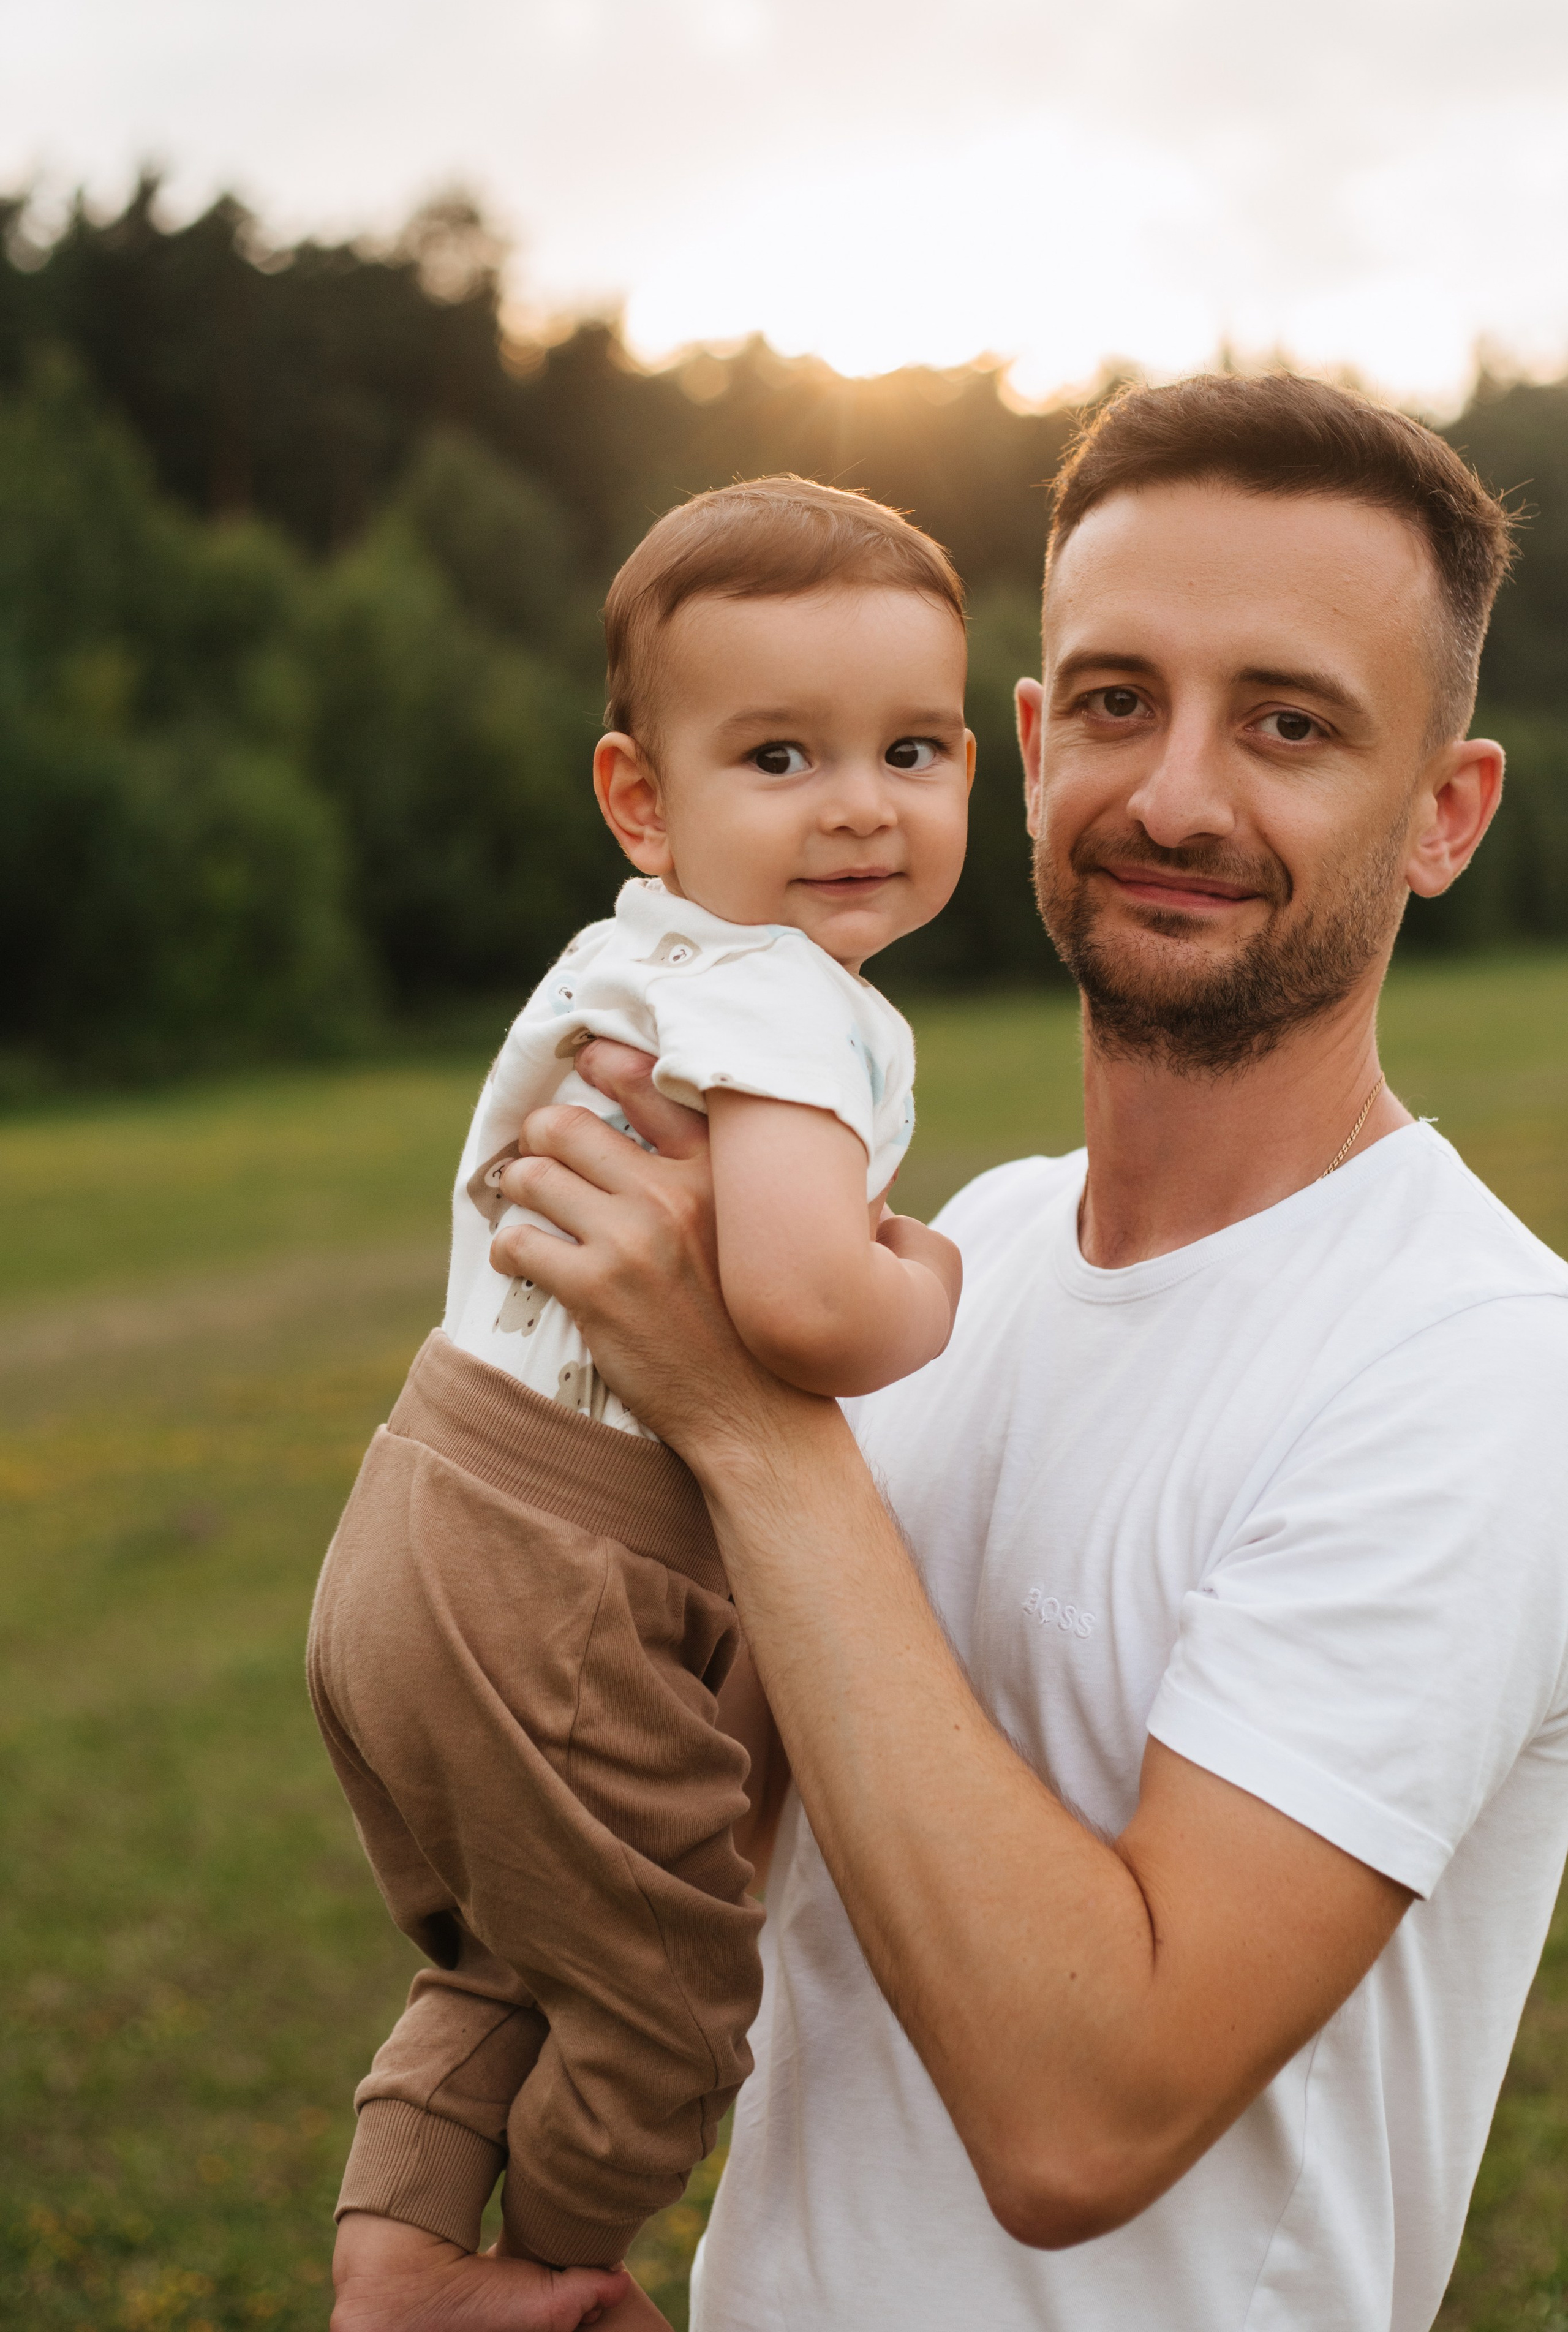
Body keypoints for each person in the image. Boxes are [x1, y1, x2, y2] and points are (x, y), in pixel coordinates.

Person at [332, 373, 1568, 2332]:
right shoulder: (970, 1244)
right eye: (1118, 701)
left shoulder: (1481, 1370)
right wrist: (451, 2237)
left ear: (1446, 813)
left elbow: (1084, 2118)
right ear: (1032, 747)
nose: (1176, 796)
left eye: (1289, 723)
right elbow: (690, 1841)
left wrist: (749, 1418)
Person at [313, 477, 971, 2315]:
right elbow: (800, 1297)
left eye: (912, 750)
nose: (860, 803)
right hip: (563, 1570)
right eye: (780, 755)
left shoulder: (632, 954)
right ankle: (545, 2266)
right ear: (642, 796)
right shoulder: (784, 998)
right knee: (669, 1987)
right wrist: (929, 1284)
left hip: (422, 1515)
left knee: (515, 1954)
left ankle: (397, 2244)